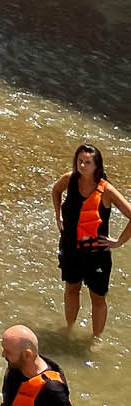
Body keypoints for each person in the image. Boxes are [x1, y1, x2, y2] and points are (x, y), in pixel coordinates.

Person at [52, 143, 131, 340]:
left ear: (97, 166)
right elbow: (55, 190)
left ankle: (96, 338)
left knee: (97, 297)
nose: (82, 165)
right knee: (71, 289)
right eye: (80, 161)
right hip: (70, 248)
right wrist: (58, 216)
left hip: (96, 254)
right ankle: (69, 328)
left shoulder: (107, 190)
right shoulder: (69, 179)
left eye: (88, 162)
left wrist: (118, 241)